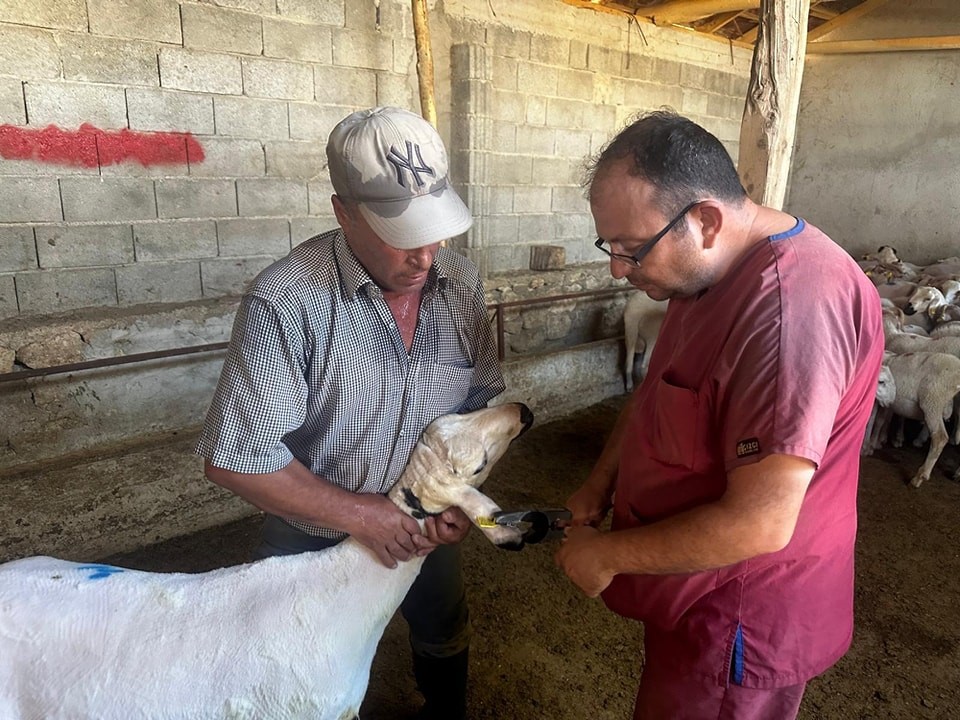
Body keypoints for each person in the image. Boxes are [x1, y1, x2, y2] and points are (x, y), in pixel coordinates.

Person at [554, 110, 884, 720]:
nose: (617, 270)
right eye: (611, 247)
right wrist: (599, 484)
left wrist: (609, 555)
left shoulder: (788, 316)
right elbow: (659, 392)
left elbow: (759, 525)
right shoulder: (702, 272)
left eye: (631, 250)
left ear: (704, 220)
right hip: (687, 590)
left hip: (739, 614)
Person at [196, 106, 505, 720]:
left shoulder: (461, 284)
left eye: (436, 228)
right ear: (344, 212)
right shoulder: (286, 301)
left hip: (427, 524)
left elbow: (477, 413)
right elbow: (234, 460)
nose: (427, 255)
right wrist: (361, 513)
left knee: (442, 626)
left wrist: (455, 501)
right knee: (304, 665)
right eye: (402, 233)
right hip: (311, 534)